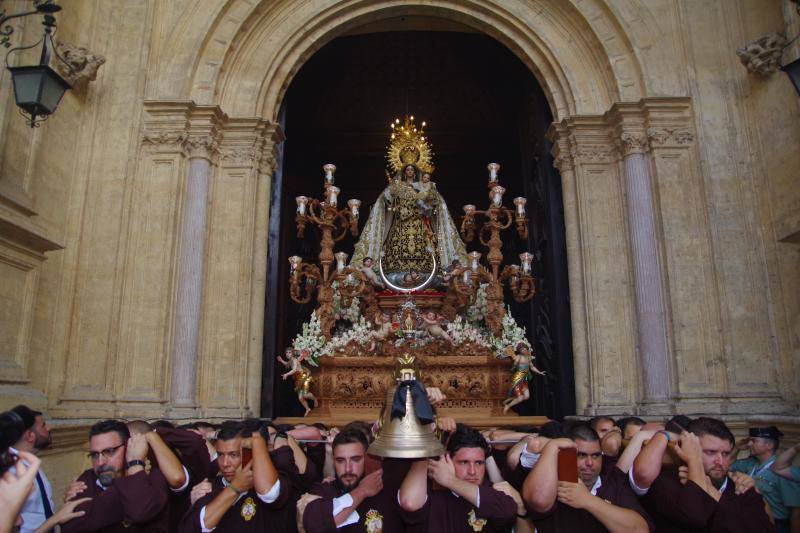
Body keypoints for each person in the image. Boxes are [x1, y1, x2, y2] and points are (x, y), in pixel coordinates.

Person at [630, 416, 775, 532]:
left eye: (725, 453)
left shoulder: (740, 486)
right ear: (689, 449)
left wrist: (710, 489)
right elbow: (694, 517)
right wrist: (695, 464)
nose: (720, 461)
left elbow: (763, 529)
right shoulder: (665, 482)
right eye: (710, 452)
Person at [351, 163, 468, 285]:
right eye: (408, 169)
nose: (410, 171)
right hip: (400, 226)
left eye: (412, 169)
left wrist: (430, 195)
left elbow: (434, 203)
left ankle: (426, 275)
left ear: (416, 172)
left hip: (419, 225)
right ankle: (396, 275)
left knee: (427, 251)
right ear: (404, 172)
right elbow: (386, 201)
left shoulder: (423, 186)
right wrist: (390, 196)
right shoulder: (397, 186)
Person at [522, 424, 651, 533]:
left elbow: (640, 530)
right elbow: (538, 501)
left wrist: (588, 500)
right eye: (581, 455)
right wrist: (552, 447)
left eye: (595, 456)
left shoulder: (613, 482)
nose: (590, 463)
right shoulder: (550, 482)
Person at [399, 425, 519, 532]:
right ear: (447, 460)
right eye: (464, 462)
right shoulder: (431, 494)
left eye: (478, 463)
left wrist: (451, 481)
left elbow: (507, 511)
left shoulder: (491, 492)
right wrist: (427, 438)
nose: (472, 471)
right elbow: (409, 503)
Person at [180, 421, 295, 532]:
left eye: (233, 455)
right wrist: (235, 488)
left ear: (250, 453)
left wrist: (257, 441)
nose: (225, 463)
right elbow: (198, 526)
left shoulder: (277, 479)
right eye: (220, 455)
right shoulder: (210, 487)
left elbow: (269, 494)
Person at [61, 419, 171, 532]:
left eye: (109, 451)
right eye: (94, 454)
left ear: (128, 448)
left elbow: (140, 511)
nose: (100, 462)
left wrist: (134, 467)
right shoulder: (87, 478)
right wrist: (129, 483)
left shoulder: (154, 476)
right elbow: (70, 526)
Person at [300, 428, 403, 532]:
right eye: (340, 461)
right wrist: (361, 491)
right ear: (333, 461)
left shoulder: (387, 490)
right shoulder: (323, 491)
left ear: (367, 458)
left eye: (356, 459)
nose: (348, 469)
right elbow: (314, 525)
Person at [731, 426, 800, 533]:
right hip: (753, 521)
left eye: (754, 441)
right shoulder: (751, 463)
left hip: (777, 525)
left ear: (769, 445)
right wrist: (737, 448)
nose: (749, 444)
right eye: (749, 441)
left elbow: (796, 509)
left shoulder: (782, 472)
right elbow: (727, 465)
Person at [7, 405, 54, 533]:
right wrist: (57, 518)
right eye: (43, 425)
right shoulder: (10, 473)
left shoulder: (31, 464)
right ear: (29, 436)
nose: (49, 428)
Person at [502, 343, 546, 414]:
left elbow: (532, 367)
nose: (524, 350)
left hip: (525, 378)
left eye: (525, 349)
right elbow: (514, 364)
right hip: (518, 378)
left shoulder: (528, 358)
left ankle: (512, 398)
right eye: (522, 349)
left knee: (526, 396)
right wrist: (515, 364)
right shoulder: (519, 357)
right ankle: (508, 405)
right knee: (520, 398)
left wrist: (540, 372)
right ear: (519, 350)